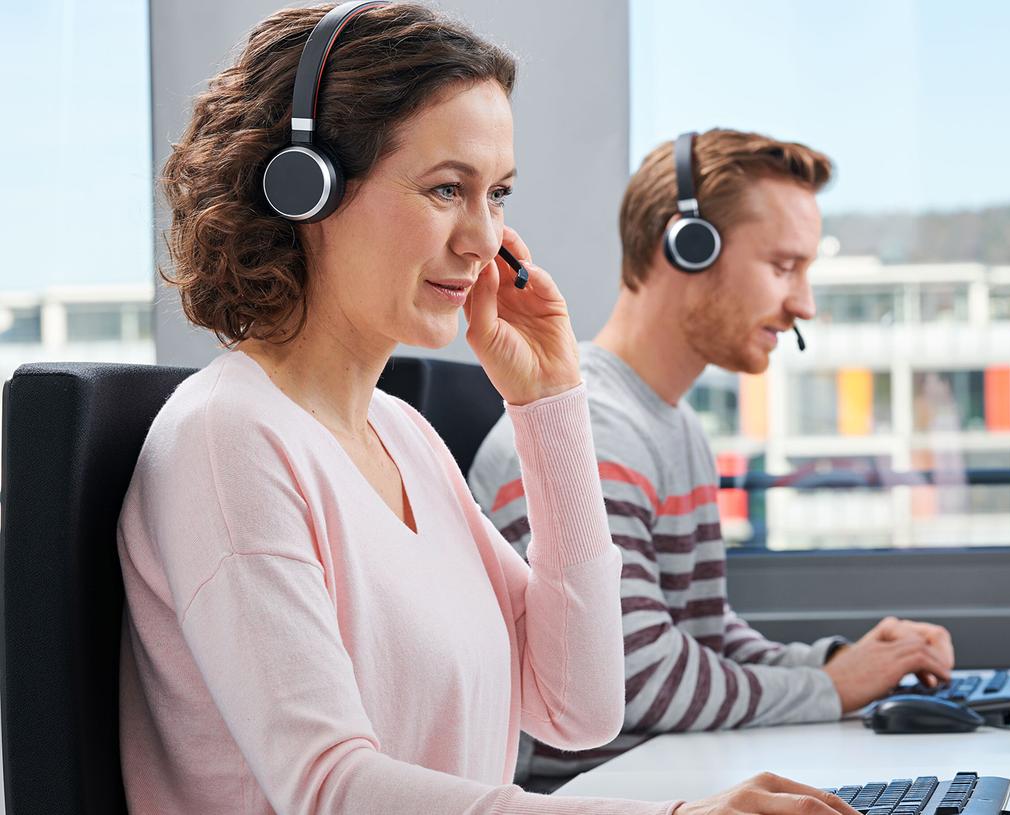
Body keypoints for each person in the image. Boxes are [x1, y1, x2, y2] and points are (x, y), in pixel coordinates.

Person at [121, 4, 856, 813]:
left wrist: (551, 404)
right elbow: (330, 788)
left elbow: (579, 706)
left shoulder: (404, 436)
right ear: (306, 188)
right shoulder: (229, 439)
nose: (484, 239)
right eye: (446, 189)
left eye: (496, 193)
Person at [470, 129, 956, 782]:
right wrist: (834, 689)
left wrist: (835, 664)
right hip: (601, 792)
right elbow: (642, 674)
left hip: (668, 778)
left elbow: (700, 634)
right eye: (784, 267)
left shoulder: (674, 425)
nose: (803, 304)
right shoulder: (587, 429)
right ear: (686, 246)